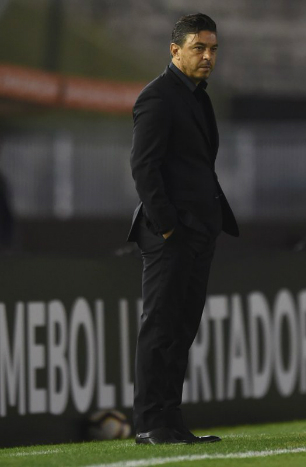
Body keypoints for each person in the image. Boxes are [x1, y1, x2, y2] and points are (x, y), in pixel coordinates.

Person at [127, 13, 239, 444]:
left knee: (182, 329)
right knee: (160, 327)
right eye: (199, 48)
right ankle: (150, 423)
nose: (208, 57)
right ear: (175, 50)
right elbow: (144, 167)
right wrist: (169, 226)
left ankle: (171, 422)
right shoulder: (157, 98)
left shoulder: (196, 97)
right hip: (169, 234)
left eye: (213, 49)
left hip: (198, 231)